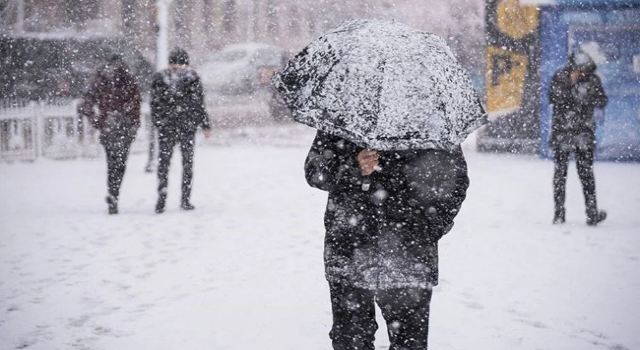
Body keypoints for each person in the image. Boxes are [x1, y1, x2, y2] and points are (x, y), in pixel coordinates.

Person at [304, 131, 469, 350]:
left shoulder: (430, 121)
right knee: (350, 341)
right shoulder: (345, 114)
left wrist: (428, 228)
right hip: (350, 249)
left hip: (409, 255)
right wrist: (354, 167)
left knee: (409, 343)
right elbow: (315, 172)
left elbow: (455, 181)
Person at [548, 50, 608, 226]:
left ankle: (591, 214)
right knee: (560, 175)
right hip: (563, 133)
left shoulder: (592, 80)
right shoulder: (560, 78)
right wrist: (571, 86)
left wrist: (585, 95)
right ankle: (559, 213)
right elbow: (553, 98)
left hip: (583, 133)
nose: (581, 74)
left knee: (586, 175)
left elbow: (602, 100)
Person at [78, 53, 141, 215]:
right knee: (120, 163)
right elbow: (136, 105)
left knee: (112, 162)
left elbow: (86, 103)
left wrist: (97, 120)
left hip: (108, 125)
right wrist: (134, 124)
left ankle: (112, 193)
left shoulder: (100, 79)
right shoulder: (128, 79)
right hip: (124, 125)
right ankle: (114, 193)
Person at [151, 48, 212, 214]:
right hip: (186, 127)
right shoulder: (191, 77)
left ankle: (162, 197)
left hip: (168, 127)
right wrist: (204, 124)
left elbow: (155, 104)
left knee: (164, 163)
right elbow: (198, 103)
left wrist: (159, 122)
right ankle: (185, 199)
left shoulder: (160, 77)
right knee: (187, 163)